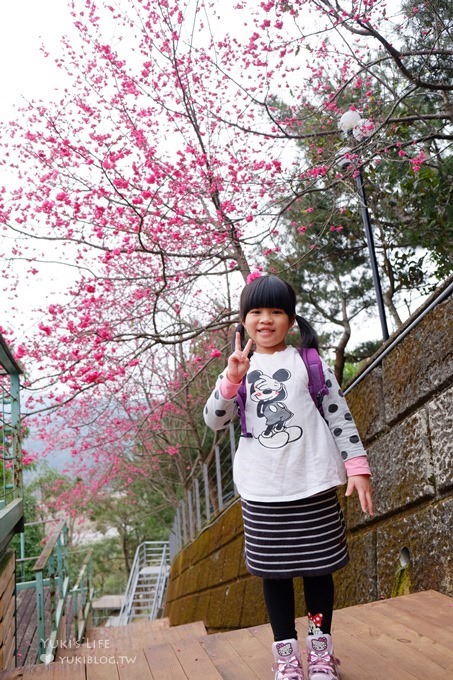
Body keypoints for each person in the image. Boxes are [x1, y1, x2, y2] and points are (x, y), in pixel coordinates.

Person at [203, 274, 373, 680]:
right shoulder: (237, 370)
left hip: (313, 485)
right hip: (262, 493)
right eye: (256, 312)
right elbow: (214, 421)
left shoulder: (308, 362)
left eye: (276, 311)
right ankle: (285, 657)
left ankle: (319, 654)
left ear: (291, 320)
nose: (266, 319)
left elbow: (338, 414)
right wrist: (231, 381)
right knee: (274, 576)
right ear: (243, 320)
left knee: (319, 571)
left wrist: (357, 466)